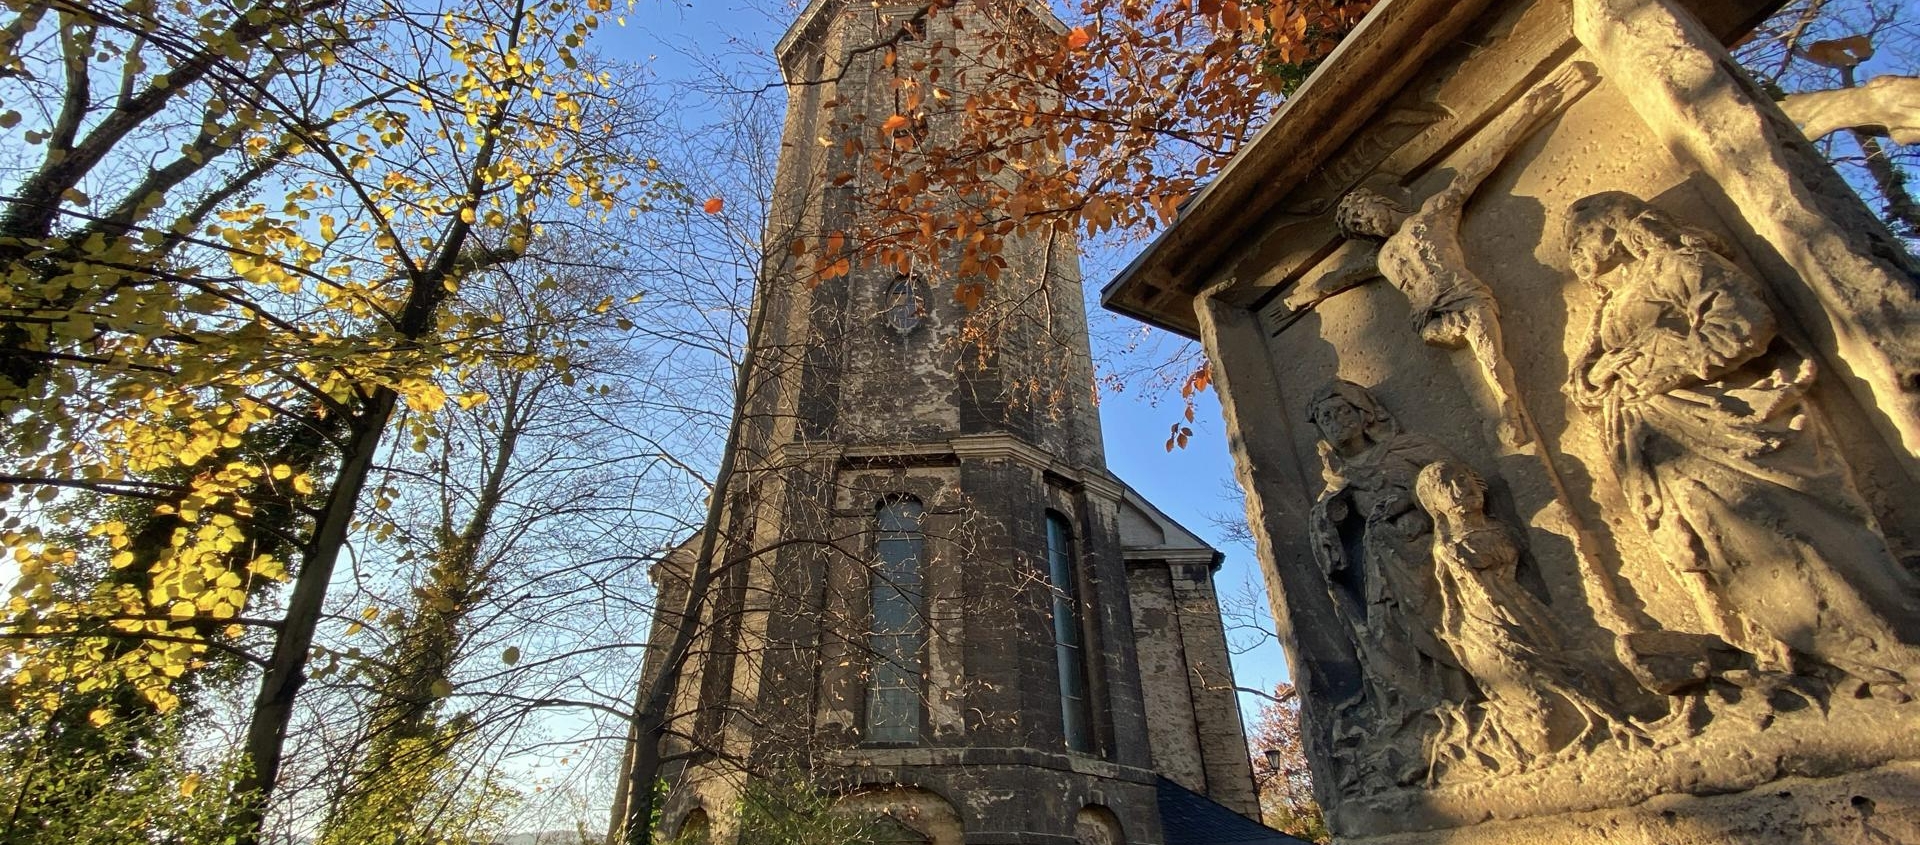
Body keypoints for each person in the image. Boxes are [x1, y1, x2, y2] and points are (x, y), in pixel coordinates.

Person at [1563, 190, 1920, 695]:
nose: (1574, 247)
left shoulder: (1678, 264)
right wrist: (1610, 370)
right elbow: (1583, 382)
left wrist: (1661, 363)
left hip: (1723, 426)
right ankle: (1821, 660)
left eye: (1582, 230)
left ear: (1619, 225)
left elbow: (1743, 325)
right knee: (1727, 549)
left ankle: (1888, 646)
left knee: (1790, 532)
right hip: (1665, 449)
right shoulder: (1607, 310)